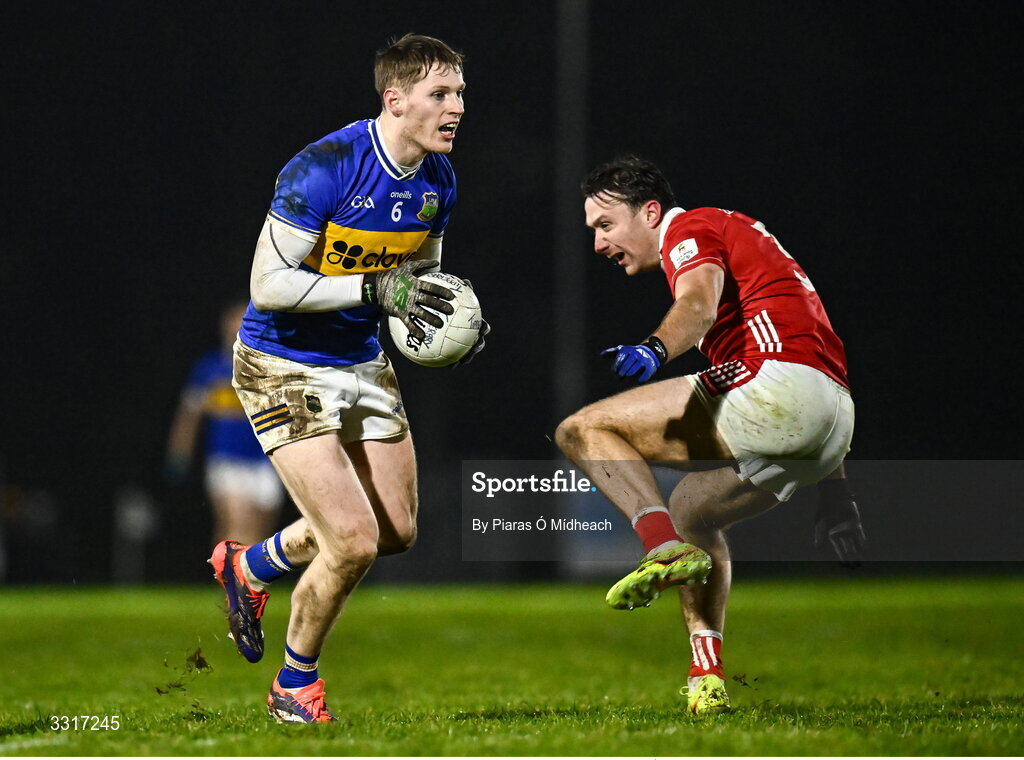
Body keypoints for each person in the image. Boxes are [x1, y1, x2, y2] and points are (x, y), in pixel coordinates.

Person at [208, 34, 486, 723]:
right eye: (440, 95)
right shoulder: (326, 166)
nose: (456, 107)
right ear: (395, 99)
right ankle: (293, 688)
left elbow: (419, 282)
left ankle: (252, 567)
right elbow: (267, 286)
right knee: (354, 542)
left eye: (459, 94)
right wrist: (374, 290)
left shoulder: (438, 181)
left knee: (395, 531)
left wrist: (451, 325)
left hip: (361, 360)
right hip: (280, 363)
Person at [555, 156, 861, 716]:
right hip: (832, 417)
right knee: (694, 508)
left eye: (605, 225)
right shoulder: (738, 234)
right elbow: (813, 378)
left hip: (777, 387)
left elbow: (697, 304)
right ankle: (707, 679)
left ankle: (659, 547)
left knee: (583, 429)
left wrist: (653, 348)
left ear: (650, 212)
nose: (599, 244)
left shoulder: (689, 228)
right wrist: (836, 494)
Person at [165, 301, 286, 546]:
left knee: (261, 529)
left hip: (264, 459)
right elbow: (189, 416)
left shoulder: (268, 367)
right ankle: (233, 583)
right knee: (236, 523)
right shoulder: (209, 370)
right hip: (226, 459)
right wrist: (179, 452)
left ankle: (249, 579)